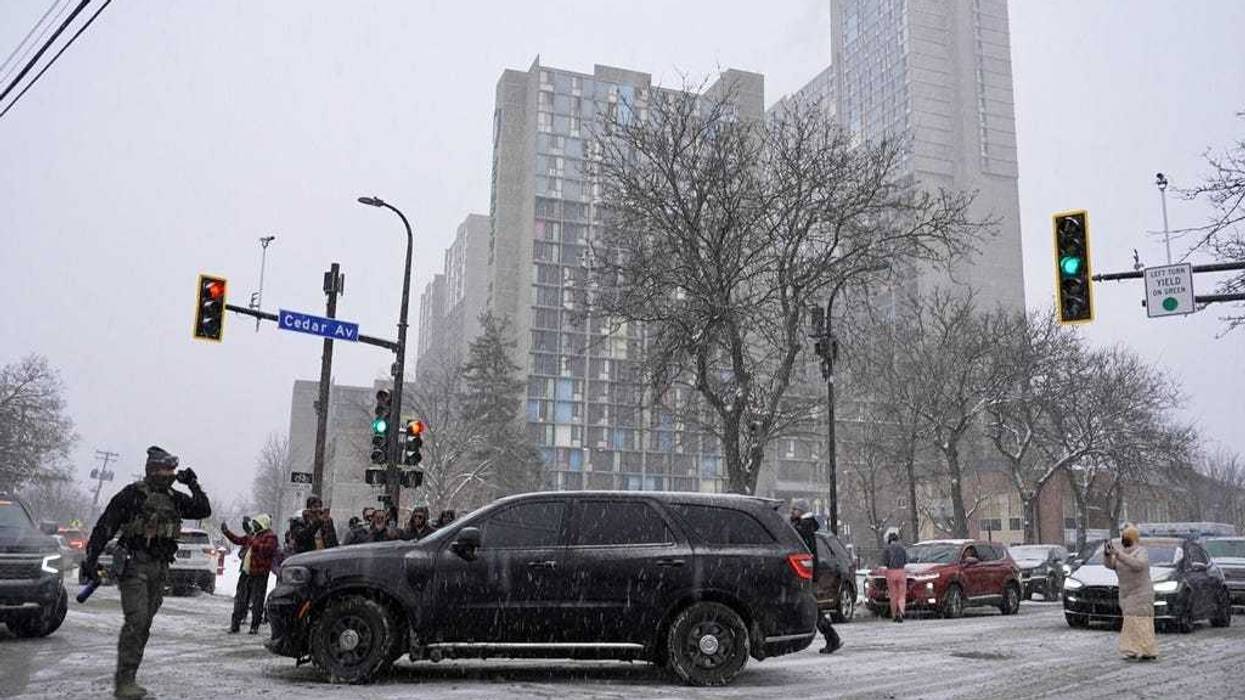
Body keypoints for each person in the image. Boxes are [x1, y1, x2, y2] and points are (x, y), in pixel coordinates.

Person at [80, 446, 211, 700]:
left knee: (144, 624)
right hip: (135, 566)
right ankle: (125, 681)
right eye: (166, 468)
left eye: (173, 469)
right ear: (152, 469)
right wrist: (91, 558)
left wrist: (193, 484)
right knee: (137, 621)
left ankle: (130, 677)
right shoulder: (132, 495)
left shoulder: (174, 497)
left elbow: (203, 510)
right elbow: (106, 525)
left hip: (160, 569)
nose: (170, 474)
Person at [789, 499, 841, 654]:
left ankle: (831, 637)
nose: (792, 513)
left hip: (804, 572)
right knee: (809, 607)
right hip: (808, 572)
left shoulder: (803, 527)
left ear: (802, 511)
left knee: (810, 607)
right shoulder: (806, 526)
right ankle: (831, 637)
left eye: (794, 510)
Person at [1104, 524, 1158, 661]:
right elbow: (1110, 565)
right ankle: (1132, 650)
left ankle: (1146, 650)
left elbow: (1138, 565)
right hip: (1126, 595)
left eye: (1126, 537)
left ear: (1133, 538)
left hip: (1141, 594)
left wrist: (1118, 554)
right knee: (1130, 623)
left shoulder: (1141, 552)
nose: (1124, 539)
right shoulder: (1121, 553)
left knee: (1141, 622)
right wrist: (1107, 554)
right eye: (1123, 537)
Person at [222, 513, 277, 634]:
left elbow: (267, 550)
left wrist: (254, 543)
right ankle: (235, 624)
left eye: (256, 524)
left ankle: (254, 626)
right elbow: (239, 540)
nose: (254, 526)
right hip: (247, 572)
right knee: (241, 599)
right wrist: (227, 532)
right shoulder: (253, 535)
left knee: (257, 600)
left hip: (260, 573)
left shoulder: (270, 537)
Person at [882, 531, 908, 623]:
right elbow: (906, 560)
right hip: (901, 572)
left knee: (893, 595)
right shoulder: (902, 548)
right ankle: (901, 612)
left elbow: (885, 562)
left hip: (891, 572)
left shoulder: (887, 549)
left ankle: (894, 614)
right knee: (901, 595)